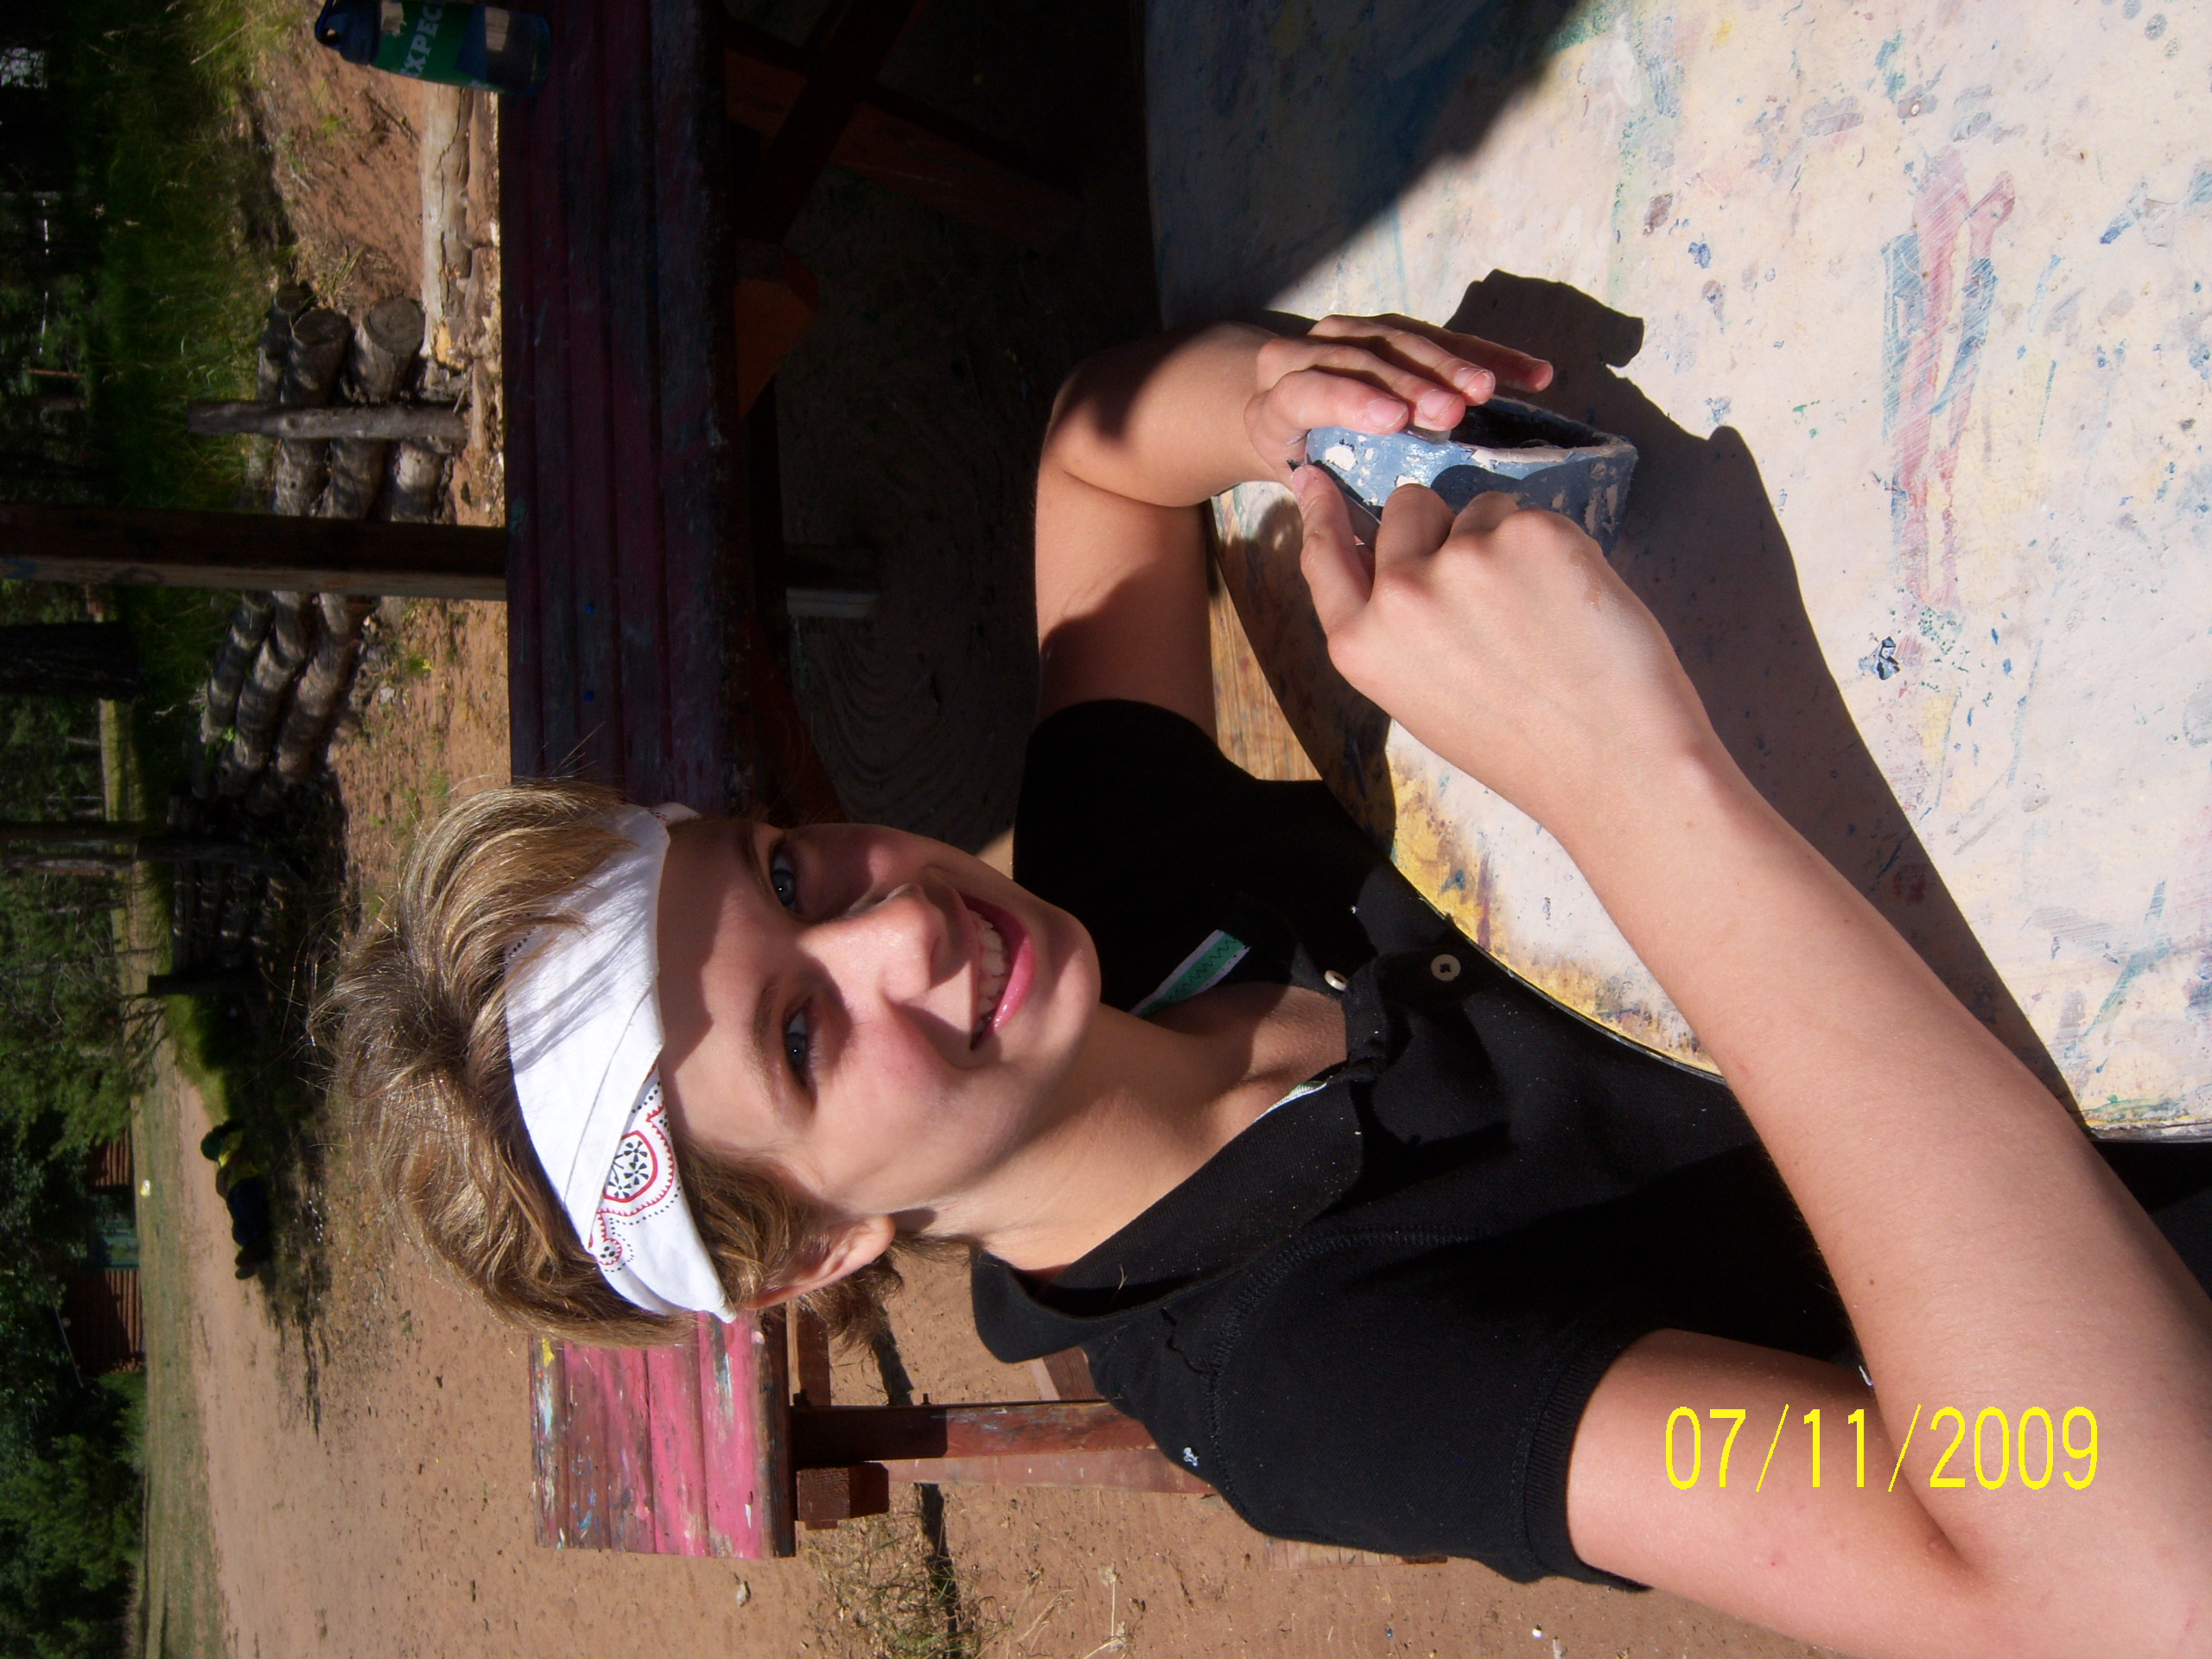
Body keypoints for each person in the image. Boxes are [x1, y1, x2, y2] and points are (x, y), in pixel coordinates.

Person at [327, 315, 2212, 1659]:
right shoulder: (1308, 1382)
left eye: (786, 872)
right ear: (816, 1245)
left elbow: (1091, 452)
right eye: (803, 1037)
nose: (901, 926)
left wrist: (1263, 400)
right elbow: (2108, 1582)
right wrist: (1630, 790)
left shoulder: (1115, 897)